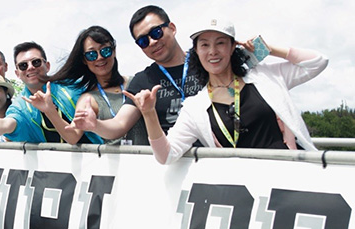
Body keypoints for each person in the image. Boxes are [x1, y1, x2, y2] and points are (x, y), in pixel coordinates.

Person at [131, 18, 328, 165]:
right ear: (196, 52)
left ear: (234, 46)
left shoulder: (265, 77)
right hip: (245, 189)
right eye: (204, 45)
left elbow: (317, 63)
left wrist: (269, 49)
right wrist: (149, 114)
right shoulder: (195, 106)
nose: (213, 51)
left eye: (220, 43)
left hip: (288, 176)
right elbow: (166, 156)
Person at [0, 42, 102, 145]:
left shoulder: (73, 88)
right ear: (17, 73)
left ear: (47, 65)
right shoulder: (20, 105)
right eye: (23, 65)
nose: (31, 68)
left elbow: (74, 137)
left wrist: (50, 110)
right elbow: (5, 123)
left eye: (36, 62)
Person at [45, 25, 145, 145]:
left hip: (148, 160)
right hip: (114, 162)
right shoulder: (88, 99)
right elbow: (73, 137)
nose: (100, 58)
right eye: (91, 54)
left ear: (114, 51)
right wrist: (50, 110)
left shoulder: (136, 84)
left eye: (105, 51)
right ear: (84, 60)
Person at [128, 5, 203, 134]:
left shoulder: (205, 60)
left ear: (172, 28)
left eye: (156, 32)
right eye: (143, 41)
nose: (152, 42)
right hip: (171, 150)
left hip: (215, 149)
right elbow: (119, 124)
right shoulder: (142, 80)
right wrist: (94, 124)